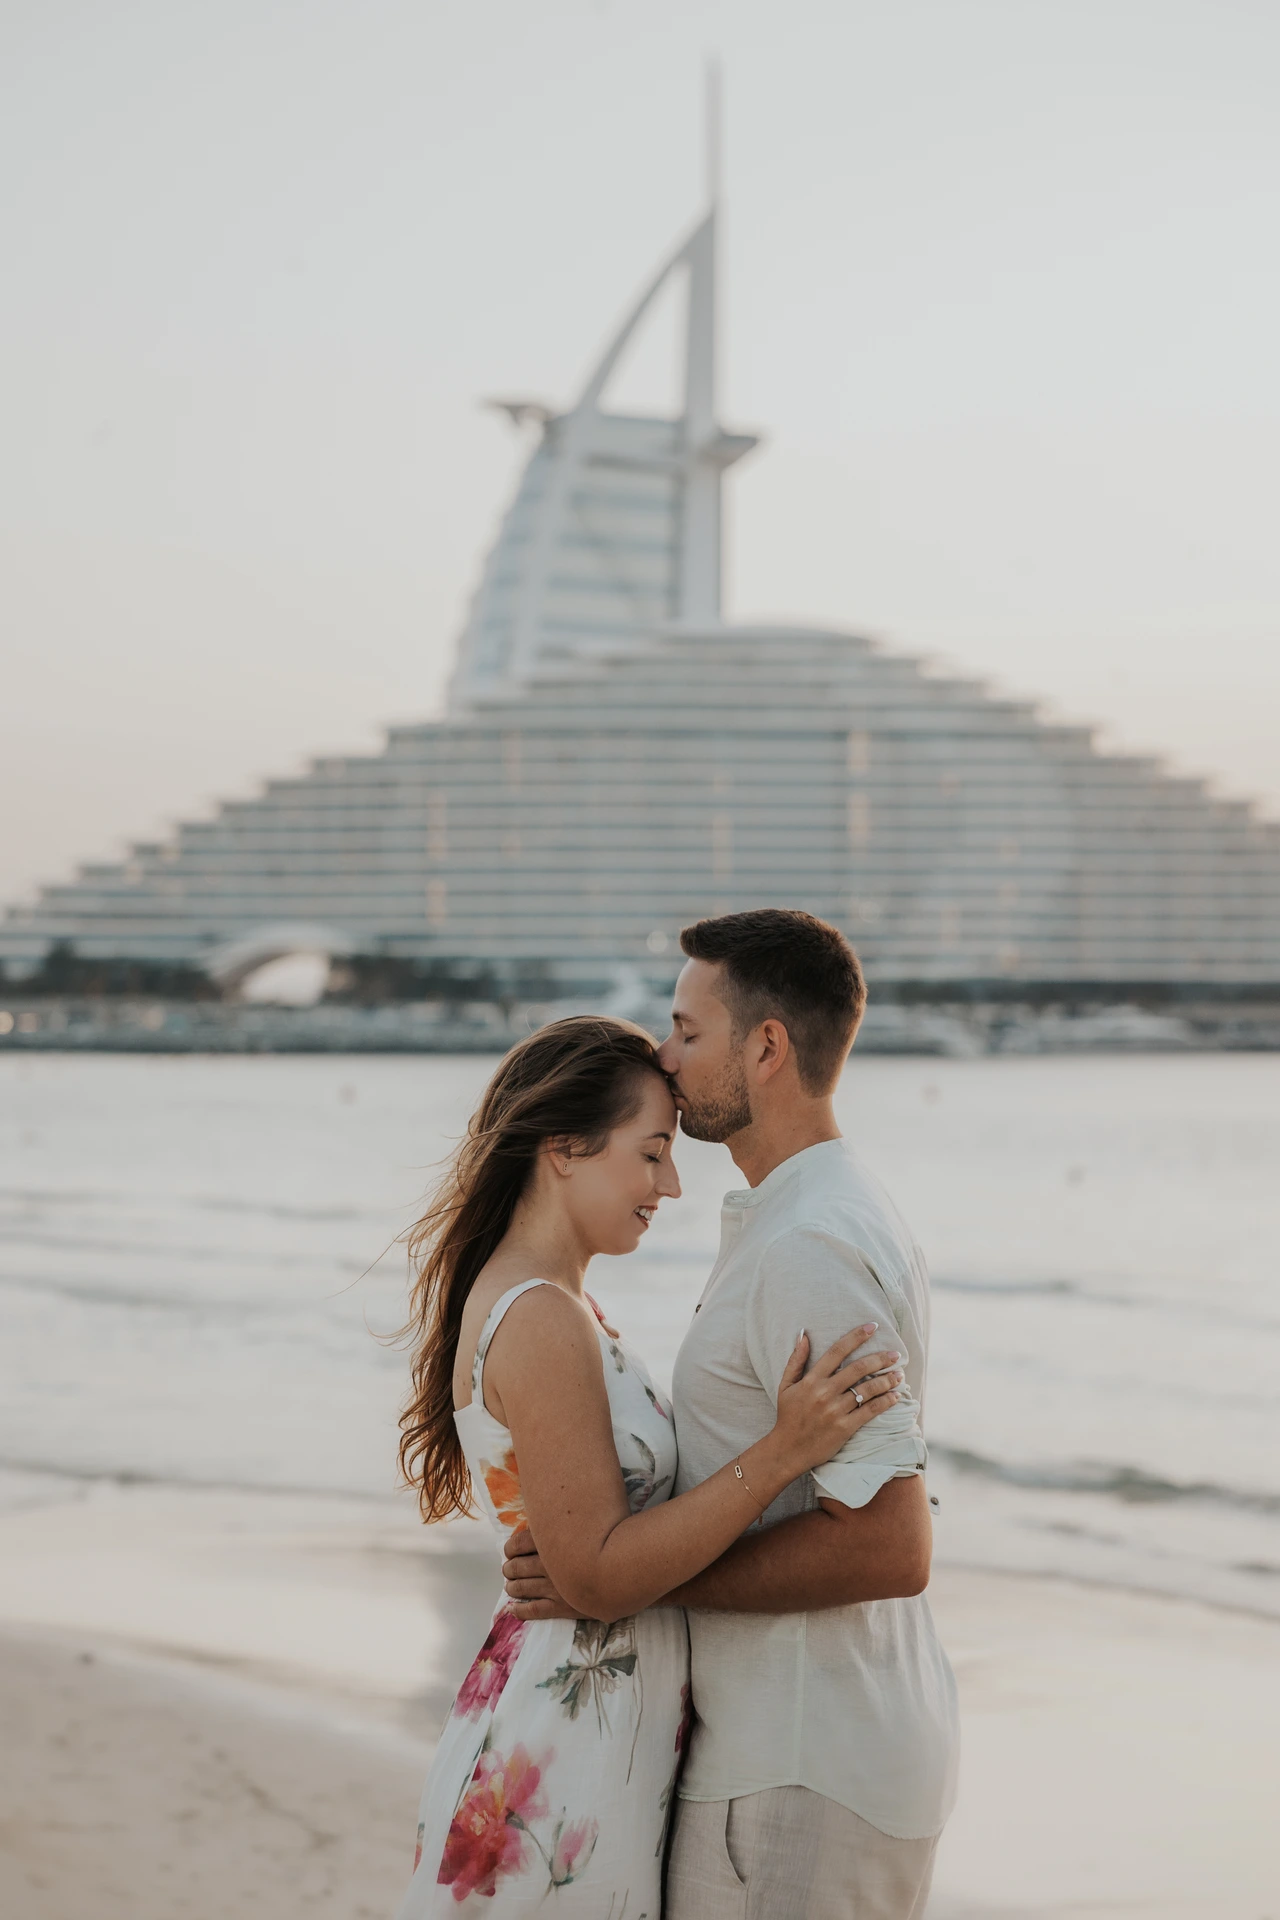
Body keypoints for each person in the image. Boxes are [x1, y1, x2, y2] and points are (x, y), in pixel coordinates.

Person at [394, 1013, 904, 1917]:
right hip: (565, 1750)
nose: (670, 1185)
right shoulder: (542, 1315)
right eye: (652, 1152)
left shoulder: (559, 1306)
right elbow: (595, 1572)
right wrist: (784, 1450)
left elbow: (588, 1551)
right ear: (564, 1147)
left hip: (596, 1730)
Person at [504, 912, 959, 1920]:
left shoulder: (809, 1242)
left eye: (685, 1031)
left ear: (764, 1048)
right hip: (808, 1748)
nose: (662, 1059)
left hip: (798, 1764)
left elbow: (889, 1542)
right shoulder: (814, 1214)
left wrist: (621, 1581)